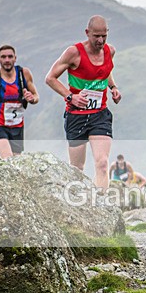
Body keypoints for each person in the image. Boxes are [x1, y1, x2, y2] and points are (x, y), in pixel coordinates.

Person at [45, 15, 121, 190]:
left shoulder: (111, 51)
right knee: (77, 169)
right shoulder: (74, 53)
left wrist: (113, 87)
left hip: (99, 114)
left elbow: (105, 71)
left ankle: (102, 208)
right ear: (87, 33)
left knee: (102, 163)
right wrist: (71, 96)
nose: (100, 40)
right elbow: (50, 78)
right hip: (76, 116)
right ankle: (79, 206)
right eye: (96, 36)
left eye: (104, 36)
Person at [0, 45, 39, 158]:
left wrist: (32, 99)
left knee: (17, 160)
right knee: (8, 158)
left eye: (10, 56)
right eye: (3, 57)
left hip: (17, 125)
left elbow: (36, 96)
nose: (7, 60)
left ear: (15, 58)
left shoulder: (24, 73)